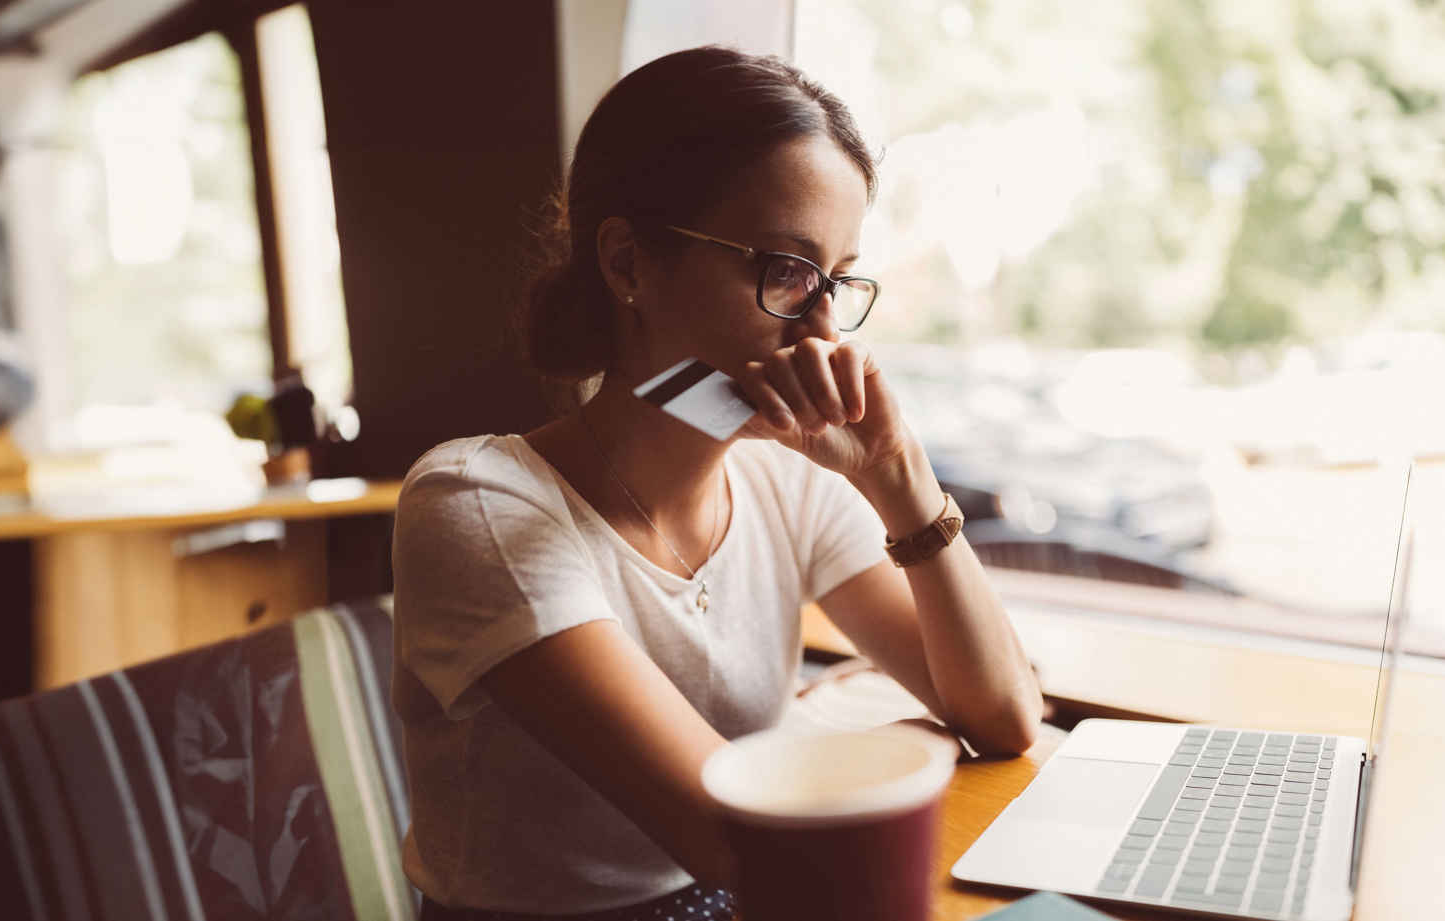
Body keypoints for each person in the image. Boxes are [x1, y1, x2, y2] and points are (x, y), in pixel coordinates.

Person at [391, 46, 1044, 921]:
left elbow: (1004, 715)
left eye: (838, 282)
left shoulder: (784, 480)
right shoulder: (481, 506)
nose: (822, 332)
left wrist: (899, 477)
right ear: (628, 264)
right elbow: (734, 839)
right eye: (784, 270)